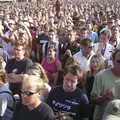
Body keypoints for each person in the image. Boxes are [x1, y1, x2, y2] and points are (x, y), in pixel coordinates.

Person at [91, 48, 120, 120]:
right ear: (113, 61)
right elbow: (93, 100)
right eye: (119, 61)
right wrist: (104, 97)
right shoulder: (101, 75)